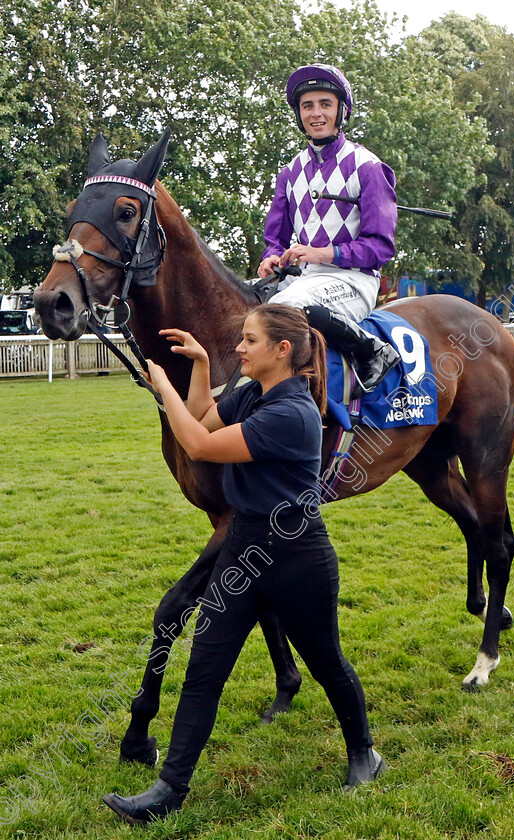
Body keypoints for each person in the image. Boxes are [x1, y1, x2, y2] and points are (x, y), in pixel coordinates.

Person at [103, 304, 387, 824]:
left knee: (327, 664)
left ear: (282, 351)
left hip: (298, 556)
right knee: (204, 669)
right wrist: (201, 372)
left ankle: (365, 753)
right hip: (243, 547)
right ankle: (168, 791)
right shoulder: (254, 393)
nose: (239, 347)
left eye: (249, 340)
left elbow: (200, 445)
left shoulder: (293, 413)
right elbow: (204, 419)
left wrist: (161, 384)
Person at [258, 63, 400, 394]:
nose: (316, 113)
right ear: (299, 114)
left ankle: (372, 350)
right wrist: (271, 258)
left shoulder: (368, 167)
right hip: (302, 279)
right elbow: (274, 240)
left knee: (287, 310)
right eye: (308, 106)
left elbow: (380, 247)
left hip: (353, 280)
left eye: (325, 104)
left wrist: (326, 253)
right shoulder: (289, 172)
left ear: (341, 111)